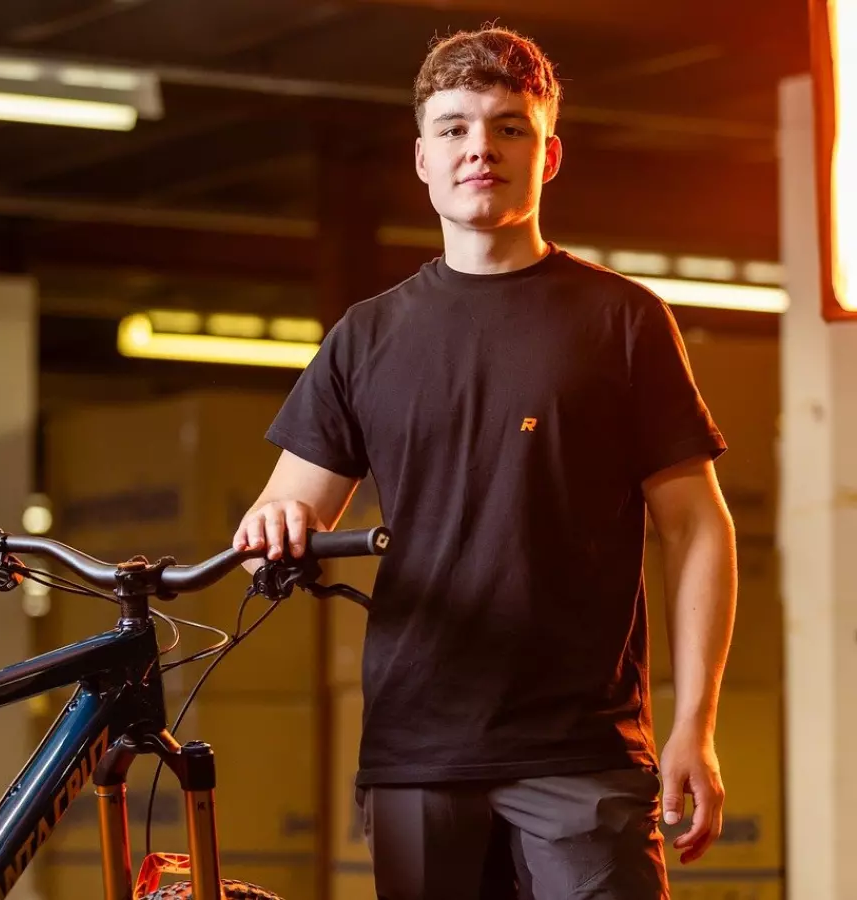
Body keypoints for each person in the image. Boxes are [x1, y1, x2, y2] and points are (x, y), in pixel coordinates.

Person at [231, 24, 738, 900]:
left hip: (582, 750)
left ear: (548, 157)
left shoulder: (622, 321)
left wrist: (695, 722)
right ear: (422, 157)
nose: (482, 148)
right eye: (457, 127)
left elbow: (698, 526)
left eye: (510, 126)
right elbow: (291, 505)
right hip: (417, 749)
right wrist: (276, 521)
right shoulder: (368, 336)